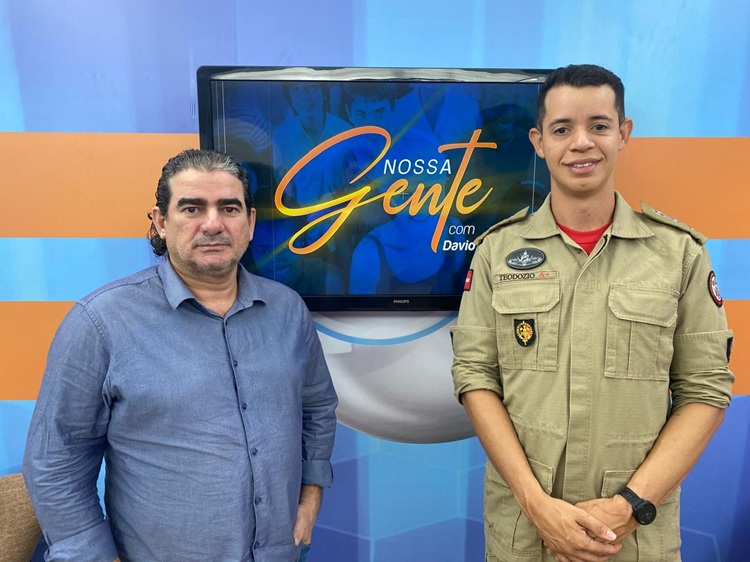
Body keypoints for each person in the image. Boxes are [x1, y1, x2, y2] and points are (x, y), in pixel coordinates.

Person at [451, 64, 734, 561]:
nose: (581, 143)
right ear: (539, 142)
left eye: (598, 125)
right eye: (562, 129)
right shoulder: (497, 253)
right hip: (526, 535)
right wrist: (537, 506)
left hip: (634, 539)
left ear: (623, 133)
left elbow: (705, 390)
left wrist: (630, 506)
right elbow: (476, 377)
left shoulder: (680, 255)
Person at [23, 149, 338, 562]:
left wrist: (311, 494)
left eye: (229, 208)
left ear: (249, 222)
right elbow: (55, 459)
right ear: (160, 222)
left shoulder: (287, 310)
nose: (213, 224)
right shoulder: (101, 322)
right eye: (192, 208)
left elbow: (317, 406)